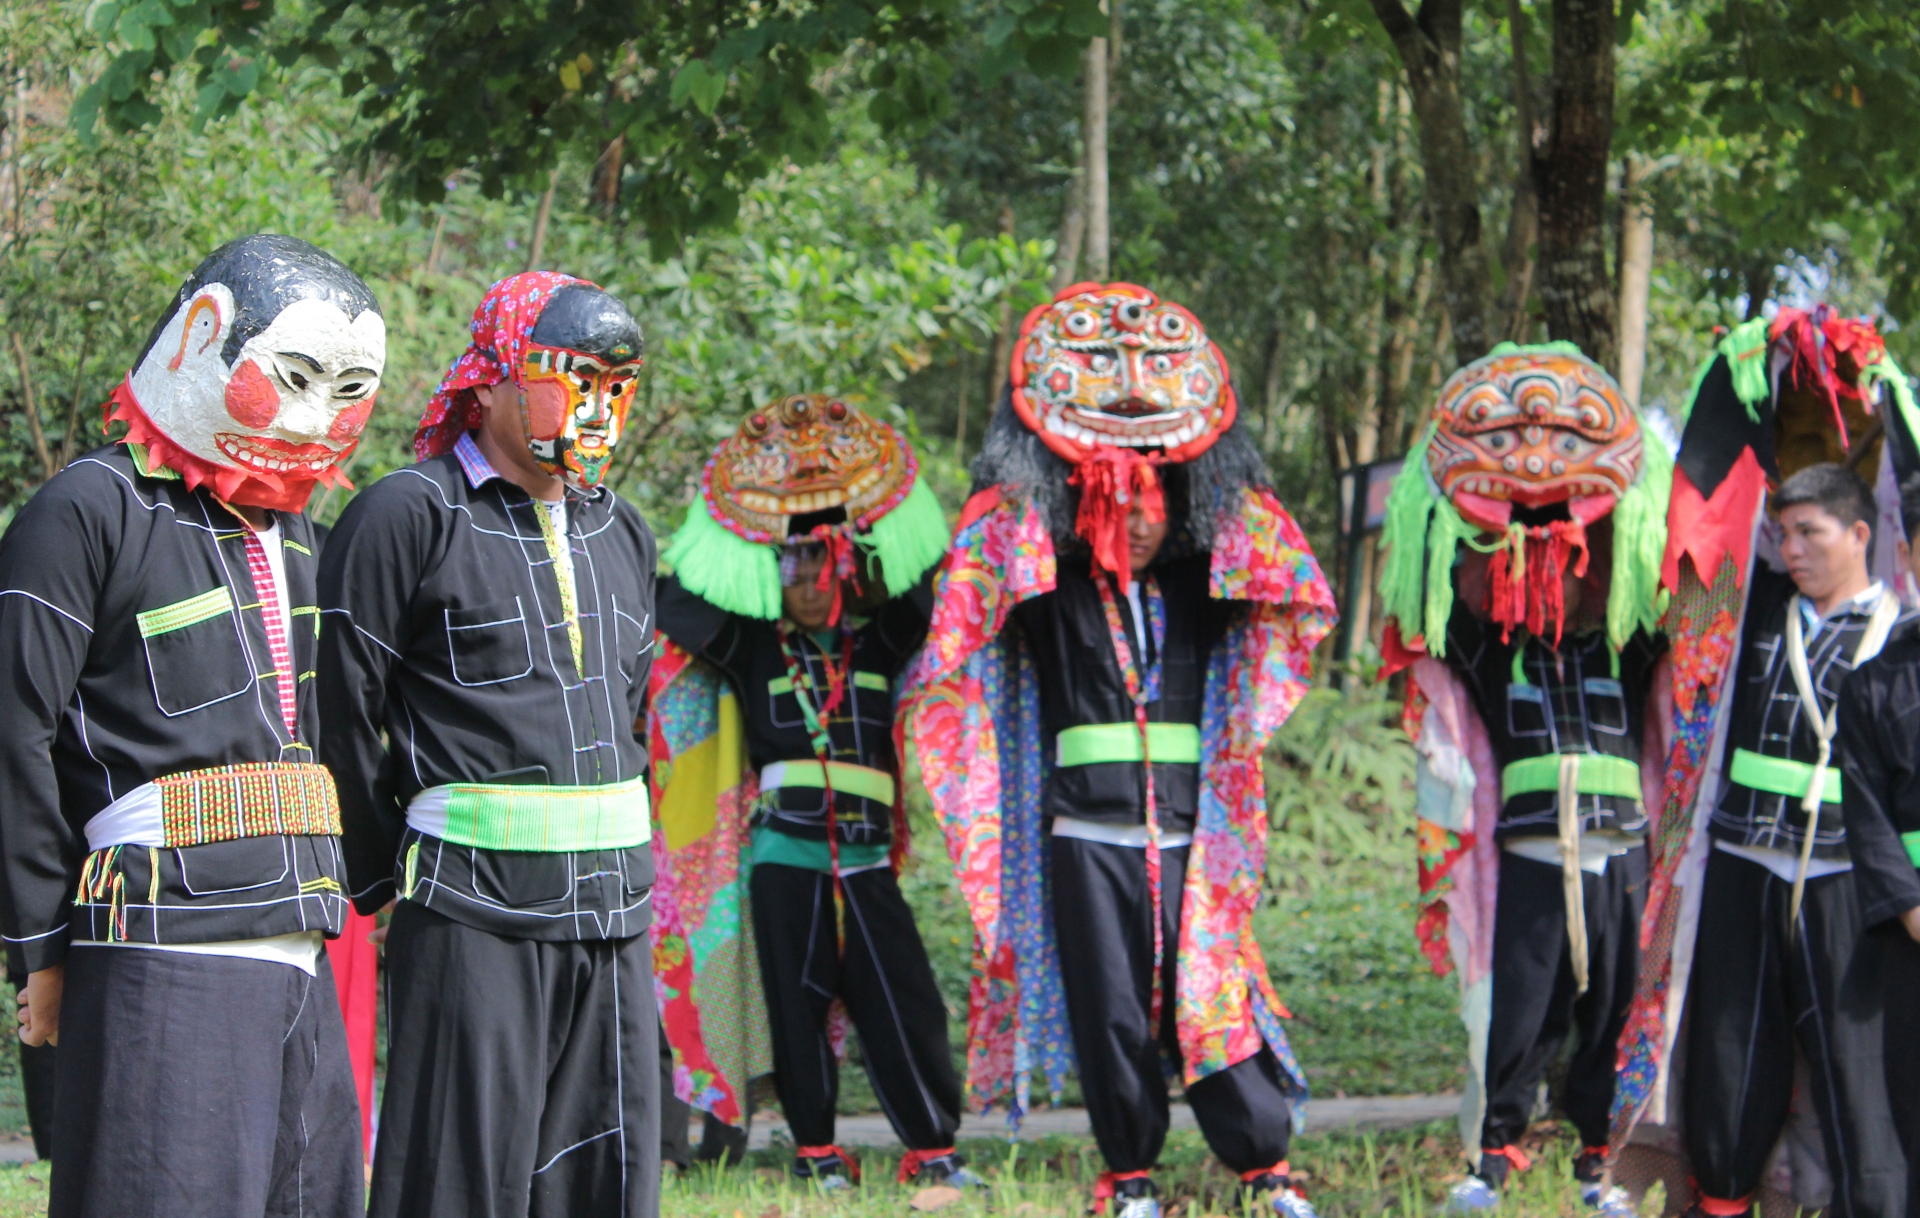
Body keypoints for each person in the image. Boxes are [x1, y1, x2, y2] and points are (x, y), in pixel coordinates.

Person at [905, 283, 1336, 1218]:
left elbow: (1277, 553)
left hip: (1189, 832)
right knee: (1111, 1012)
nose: (1138, 517)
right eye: (1119, 497)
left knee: (1211, 996)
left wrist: (1203, 452)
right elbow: (983, 552)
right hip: (1084, 833)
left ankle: (1264, 1165)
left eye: (1152, 497)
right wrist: (1045, 449)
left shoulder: (1200, 583)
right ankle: (1129, 1173)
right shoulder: (1050, 585)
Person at [0, 234, 383, 1217]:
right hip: (160, 945)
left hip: (302, 937)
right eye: (293, 378)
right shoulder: (88, 509)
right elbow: (13, 735)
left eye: (347, 392)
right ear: (202, 338)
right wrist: (39, 945)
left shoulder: (305, 536)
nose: (312, 419)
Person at [317, 272, 659, 1218]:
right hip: (473, 910)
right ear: (495, 378)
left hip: (617, 917)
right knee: (456, 1183)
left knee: (607, 1180)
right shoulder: (409, 515)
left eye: (616, 384)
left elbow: (630, 719)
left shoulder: (622, 529)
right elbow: (339, 711)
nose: (594, 407)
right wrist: (382, 871)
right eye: (569, 378)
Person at [1374, 344, 1671, 1215]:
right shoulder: (1490, 651)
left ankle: (1598, 1160)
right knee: (1525, 1008)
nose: (1556, 565)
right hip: (1534, 851)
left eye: (1574, 551)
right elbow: (1429, 601)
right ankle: (1493, 1160)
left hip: (1621, 849)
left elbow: (1669, 571)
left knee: (1614, 1007)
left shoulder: (1631, 642)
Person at [649, 395, 963, 1187]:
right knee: (796, 1006)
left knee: (908, 1002)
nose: (808, 580)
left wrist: (856, 514)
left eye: (820, 563)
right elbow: (674, 601)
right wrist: (745, 527)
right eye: (791, 566)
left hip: (863, 860)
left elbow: (931, 577)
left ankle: (935, 1153)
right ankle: (818, 1155)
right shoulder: (752, 647)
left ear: (845, 566)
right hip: (783, 858)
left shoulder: (879, 639)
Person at [1678, 463, 1904, 1218]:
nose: (1793, 548)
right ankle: (1721, 1199)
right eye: (1783, 533)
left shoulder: (1900, 639)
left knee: (1858, 1061)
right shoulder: (1750, 617)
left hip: (1849, 877)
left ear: (1861, 534)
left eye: (1811, 531)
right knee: (1729, 1047)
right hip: (1743, 861)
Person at [1839, 471, 1920, 1218]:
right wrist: (1913, 909)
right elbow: (1865, 810)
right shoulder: (1873, 683)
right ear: (1907, 555)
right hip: (1913, 933)